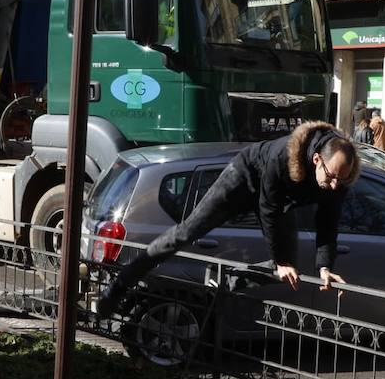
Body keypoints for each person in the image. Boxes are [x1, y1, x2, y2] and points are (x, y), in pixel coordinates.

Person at [98, 121, 359, 318]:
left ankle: (223, 280)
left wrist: (325, 266)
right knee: (186, 232)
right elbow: (269, 209)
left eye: (341, 179)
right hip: (244, 178)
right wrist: (280, 260)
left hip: (278, 200)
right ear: (316, 160)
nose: (335, 185)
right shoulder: (283, 156)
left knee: (289, 267)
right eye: (331, 176)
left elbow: (328, 220)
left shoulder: (341, 174)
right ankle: (118, 287)